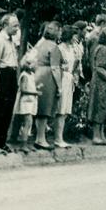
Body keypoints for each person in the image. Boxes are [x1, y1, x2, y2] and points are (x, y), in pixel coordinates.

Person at [0, 13, 21, 155]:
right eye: (14, 26)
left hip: (11, 75)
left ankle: (2, 142)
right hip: (2, 76)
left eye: (18, 25)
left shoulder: (11, 40)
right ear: (5, 25)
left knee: (7, 111)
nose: (17, 28)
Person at [31, 21, 63, 150]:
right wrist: (59, 86)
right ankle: (41, 138)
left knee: (40, 107)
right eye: (59, 31)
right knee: (46, 108)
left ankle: (39, 137)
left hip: (38, 74)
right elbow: (55, 68)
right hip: (48, 76)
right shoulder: (54, 47)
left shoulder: (41, 44)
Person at [54, 25, 80, 148]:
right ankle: (57, 138)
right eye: (74, 35)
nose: (76, 38)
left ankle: (60, 137)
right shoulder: (60, 49)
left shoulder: (72, 49)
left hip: (69, 79)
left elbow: (74, 64)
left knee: (65, 110)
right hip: (62, 78)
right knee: (60, 109)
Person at [15, 53, 40, 151]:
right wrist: (35, 92)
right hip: (26, 102)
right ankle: (23, 145)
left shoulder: (32, 75)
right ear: (29, 64)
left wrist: (36, 88)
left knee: (30, 123)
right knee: (27, 122)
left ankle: (28, 144)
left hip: (32, 101)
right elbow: (23, 89)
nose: (36, 66)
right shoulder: (24, 75)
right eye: (34, 64)